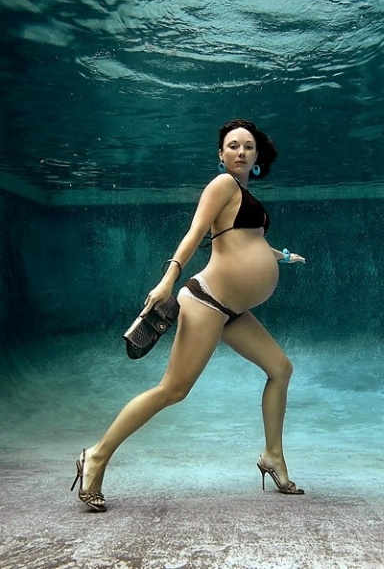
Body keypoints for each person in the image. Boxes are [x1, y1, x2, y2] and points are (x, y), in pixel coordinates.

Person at [71, 119, 306, 512]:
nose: (241, 152)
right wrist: (168, 280)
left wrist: (281, 256)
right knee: (173, 390)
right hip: (208, 300)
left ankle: (272, 456)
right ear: (221, 154)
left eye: (248, 146)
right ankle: (95, 455)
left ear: (258, 157)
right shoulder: (223, 185)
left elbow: (249, 241)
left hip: (232, 309)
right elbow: (195, 233)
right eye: (233, 145)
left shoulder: (244, 194)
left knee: (280, 369)